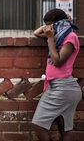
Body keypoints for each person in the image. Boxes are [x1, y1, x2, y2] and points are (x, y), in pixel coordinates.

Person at [32, 8, 81, 141]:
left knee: (39, 125)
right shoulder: (58, 34)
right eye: (47, 25)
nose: (48, 28)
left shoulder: (70, 37)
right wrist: (50, 27)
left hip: (63, 87)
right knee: (63, 128)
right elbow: (36, 32)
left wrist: (50, 38)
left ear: (58, 23)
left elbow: (57, 61)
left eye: (50, 24)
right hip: (57, 86)